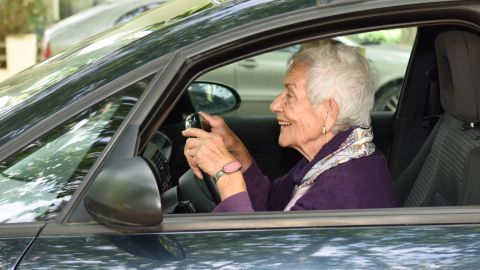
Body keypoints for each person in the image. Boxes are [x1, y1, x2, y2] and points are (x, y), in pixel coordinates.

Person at [182, 43, 399, 212]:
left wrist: (226, 175)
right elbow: (270, 204)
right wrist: (235, 150)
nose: (274, 105)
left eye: (290, 95)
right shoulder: (331, 159)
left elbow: (257, 255)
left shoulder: (337, 192)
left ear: (327, 112)